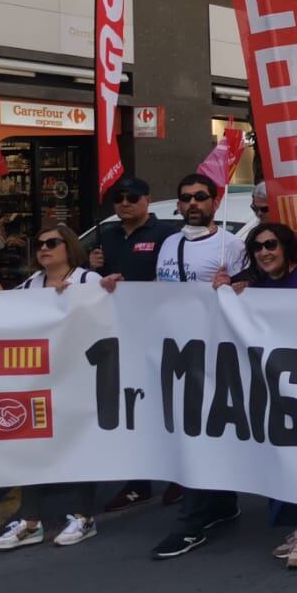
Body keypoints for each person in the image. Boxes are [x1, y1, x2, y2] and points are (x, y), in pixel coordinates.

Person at [135, 173, 250, 561]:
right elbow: (159, 290)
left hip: (215, 355)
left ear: (215, 202)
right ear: (179, 204)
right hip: (175, 354)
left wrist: (234, 285)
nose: (193, 204)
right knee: (194, 432)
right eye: (186, 198)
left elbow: (253, 292)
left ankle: (190, 523)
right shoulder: (169, 243)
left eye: (201, 197)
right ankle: (220, 502)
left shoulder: (230, 245)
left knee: (200, 434)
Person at [213, 221, 297, 569]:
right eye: (258, 247)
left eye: (271, 245)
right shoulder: (254, 285)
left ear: (286, 247)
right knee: (278, 455)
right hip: (269, 387)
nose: (264, 252)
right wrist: (223, 290)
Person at [0, 224, 103, 551]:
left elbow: (105, 319)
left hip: (78, 375)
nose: (44, 248)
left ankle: (83, 516)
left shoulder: (86, 280)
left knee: (79, 445)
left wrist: (78, 302)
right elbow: (11, 318)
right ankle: (30, 521)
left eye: (53, 242)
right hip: (39, 378)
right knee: (33, 444)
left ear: (69, 247)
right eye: (39, 244)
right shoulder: (31, 284)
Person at [90, 176, 177, 512]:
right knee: (133, 408)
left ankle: (178, 479)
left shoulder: (167, 235)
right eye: (118, 198)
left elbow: (174, 278)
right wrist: (92, 268)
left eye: (132, 197)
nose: (124, 203)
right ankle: (138, 482)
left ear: (147, 200)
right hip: (117, 335)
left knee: (166, 407)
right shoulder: (106, 236)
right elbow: (84, 283)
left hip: (159, 333)